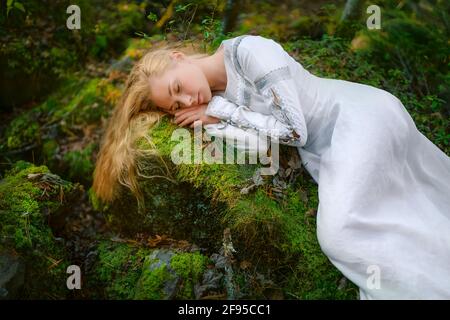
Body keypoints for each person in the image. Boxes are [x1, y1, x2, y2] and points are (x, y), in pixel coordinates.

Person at [93, 34, 450, 299]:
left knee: (338, 234)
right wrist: (213, 123)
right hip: (329, 146)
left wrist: (222, 112)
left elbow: (294, 131)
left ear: (178, 58)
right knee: (402, 210)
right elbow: (263, 145)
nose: (186, 100)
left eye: (177, 87)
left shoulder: (249, 52)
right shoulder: (214, 97)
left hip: (356, 118)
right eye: (175, 105)